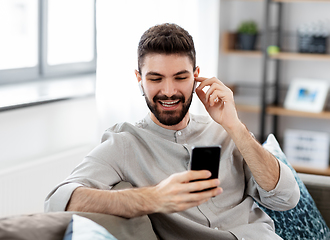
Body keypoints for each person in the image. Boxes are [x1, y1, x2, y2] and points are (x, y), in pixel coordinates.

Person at [45, 23, 300, 240]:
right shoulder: (124, 143)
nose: (168, 91)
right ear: (139, 78)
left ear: (196, 76)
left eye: (180, 77)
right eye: (155, 79)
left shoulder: (227, 131)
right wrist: (154, 198)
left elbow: (287, 198)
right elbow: (57, 201)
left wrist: (235, 127)